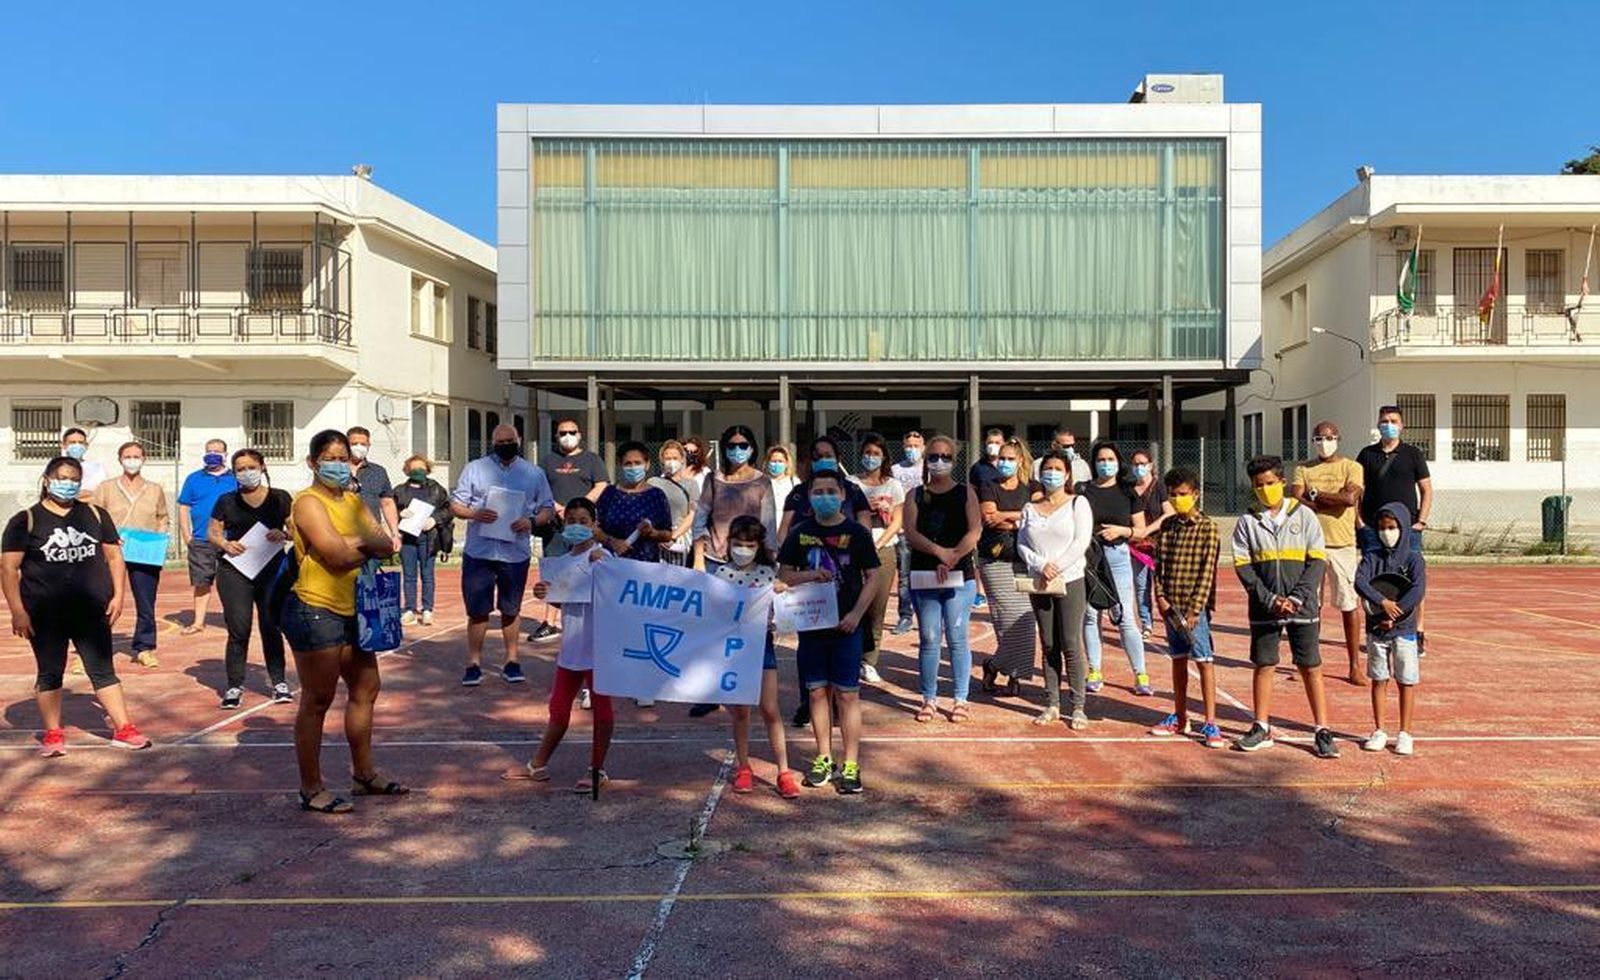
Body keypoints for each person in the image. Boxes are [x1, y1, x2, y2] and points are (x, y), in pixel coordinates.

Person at [281, 430, 404, 813]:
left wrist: (357, 541)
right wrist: (363, 541)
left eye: (343, 457)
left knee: (366, 687)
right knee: (317, 699)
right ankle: (311, 787)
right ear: (313, 462)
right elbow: (335, 555)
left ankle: (363, 774)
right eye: (329, 457)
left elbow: (386, 544)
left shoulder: (353, 500)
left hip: (357, 608)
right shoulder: (307, 502)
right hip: (316, 607)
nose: (337, 464)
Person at [3, 456, 151, 757]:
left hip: (90, 610)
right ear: (47, 480)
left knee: (103, 670)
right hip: (45, 613)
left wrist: (119, 594)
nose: (68, 483)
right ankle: (53, 733)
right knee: (50, 672)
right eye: (62, 477)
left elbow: (113, 557)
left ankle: (124, 728)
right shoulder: (25, 520)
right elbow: (8, 569)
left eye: (74, 478)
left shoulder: (95, 515)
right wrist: (18, 610)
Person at [778, 470, 883, 794]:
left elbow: (874, 577)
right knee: (816, 693)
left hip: (846, 626)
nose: (824, 496)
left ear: (842, 495)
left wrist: (856, 614)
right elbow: (784, 576)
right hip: (812, 626)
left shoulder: (857, 533)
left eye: (830, 491)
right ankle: (824, 757)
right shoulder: (799, 533)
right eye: (817, 491)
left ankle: (851, 763)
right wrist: (810, 575)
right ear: (809, 497)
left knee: (848, 694)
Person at [504, 498, 613, 794]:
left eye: (583, 521)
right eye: (571, 521)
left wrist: (603, 565)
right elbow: (563, 600)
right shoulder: (561, 563)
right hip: (572, 649)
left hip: (599, 650)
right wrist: (545, 594)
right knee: (558, 709)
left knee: (602, 713)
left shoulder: (602, 557)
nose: (577, 526)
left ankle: (596, 769)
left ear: (595, 525)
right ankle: (537, 765)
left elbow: (616, 593)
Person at [1232, 455, 1337, 758]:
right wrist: (1269, 599)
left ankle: (1322, 730)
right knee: (1264, 665)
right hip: (1265, 608)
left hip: (1302, 607)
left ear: (1282, 482)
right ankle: (1261, 726)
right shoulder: (1247, 522)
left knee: (1310, 666)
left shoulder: (1305, 516)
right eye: (1258, 485)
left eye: (1270, 483)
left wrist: (1297, 598)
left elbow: (1317, 560)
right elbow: (1243, 566)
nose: (1265, 489)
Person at [450, 423, 557, 687]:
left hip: (514, 553)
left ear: (518, 440)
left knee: (511, 609)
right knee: (477, 610)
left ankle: (512, 661)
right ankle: (473, 663)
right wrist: (474, 513)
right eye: (500, 441)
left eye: (510, 440)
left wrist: (531, 522)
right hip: (480, 552)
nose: (505, 445)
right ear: (493, 442)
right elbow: (455, 504)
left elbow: (548, 508)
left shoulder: (533, 473)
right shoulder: (474, 468)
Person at [690, 425, 777, 718]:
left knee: (753, 627)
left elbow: (769, 525)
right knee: (714, 629)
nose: (737, 450)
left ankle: (749, 684)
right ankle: (712, 692)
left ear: (752, 447)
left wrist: (769, 562)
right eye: (732, 445)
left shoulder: (762, 482)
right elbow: (700, 519)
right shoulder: (714, 480)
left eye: (743, 445)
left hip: (752, 563)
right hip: (717, 560)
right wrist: (699, 558)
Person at [719, 515, 800, 799]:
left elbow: (783, 613)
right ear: (729, 543)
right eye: (738, 544)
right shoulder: (721, 575)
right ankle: (744, 767)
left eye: (749, 544)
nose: (743, 549)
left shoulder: (768, 573)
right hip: (732, 648)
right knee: (741, 710)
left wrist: (781, 592)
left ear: (758, 545)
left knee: (770, 708)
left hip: (761, 645)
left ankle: (784, 771)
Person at [903, 434, 982, 723]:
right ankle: (929, 698)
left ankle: (961, 698)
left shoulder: (966, 493)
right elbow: (910, 533)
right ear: (926, 460)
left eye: (945, 457)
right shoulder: (915, 495)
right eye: (934, 457)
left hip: (960, 574)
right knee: (929, 637)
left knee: (958, 638)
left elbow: (975, 530)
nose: (939, 462)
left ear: (954, 460)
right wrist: (940, 553)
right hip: (925, 574)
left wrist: (954, 556)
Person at [208, 449, 294, 709]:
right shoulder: (226, 501)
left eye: (251, 467)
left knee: (271, 626)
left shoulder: (280, 498)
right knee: (239, 628)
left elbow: (295, 528)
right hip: (236, 570)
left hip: (271, 570)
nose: (247, 472)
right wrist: (225, 543)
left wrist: (284, 535)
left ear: (262, 466)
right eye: (240, 469)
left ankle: (279, 682)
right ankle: (234, 685)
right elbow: (212, 532)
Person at [1147, 467, 1224, 749]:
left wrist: (1194, 610)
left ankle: (1211, 722)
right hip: (1170, 606)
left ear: (1195, 494)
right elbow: (1159, 567)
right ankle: (1180, 717)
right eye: (1173, 495)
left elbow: (1207, 572)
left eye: (1183, 494)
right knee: (1178, 659)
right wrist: (1161, 598)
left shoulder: (1208, 528)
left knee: (1204, 661)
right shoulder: (1167, 527)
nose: (1178, 499)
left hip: (1195, 609)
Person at [1017, 451, 1092, 729]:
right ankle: (1052, 703)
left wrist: (1057, 566)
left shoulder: (1078, 504)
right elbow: (1022, 543)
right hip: (1040, 582)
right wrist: (1040, 565)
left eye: (1058, 468)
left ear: (1068, 474)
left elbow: (1081, 541)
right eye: (1047, 468)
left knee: (1070, 642)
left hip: (1070, 580)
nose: (1052, 473)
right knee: (1049, 643)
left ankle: (1079, 706)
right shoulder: (1030, 508)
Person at [1293, 421, 1366, 684]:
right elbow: (1298, 499)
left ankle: (1354, 665)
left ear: (1338, 438)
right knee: (1310, 605)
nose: (1323, 442)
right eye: (1318, 438)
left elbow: (1348, 500)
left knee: (1348, 604)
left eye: (1328, 437)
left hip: (1342, 545)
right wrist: (1328, 499)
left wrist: (1317, 495)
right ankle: (1308, 662)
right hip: (1310, 547)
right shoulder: (1303, 468)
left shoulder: (1352, 467)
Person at [1356, 405, 1433, 655]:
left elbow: (1426, 489)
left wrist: (1420, 521)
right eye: (1383, 421)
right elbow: (1357, 490)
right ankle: (1376, 628)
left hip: (1407, 530)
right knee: (1372, 580)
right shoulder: (1367, 454)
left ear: (1402, 426)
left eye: (1393, 420)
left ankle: (1416, 631)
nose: (1388, 424)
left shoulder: (1413, 454)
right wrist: (1360, 522)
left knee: (1412, 580)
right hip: (1373, 529)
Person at [1079, 441, 1152, 696]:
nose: (1105, 464)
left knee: (1124, 616)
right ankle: (1094, 670)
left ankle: (1141, 674)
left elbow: (1141, 531)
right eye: (1101, 459)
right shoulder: (1083, 491)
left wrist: (1122, 531)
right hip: (1090, 558)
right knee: (1090, 615)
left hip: (1119, 556)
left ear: (1118, 462)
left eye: (1110, 459)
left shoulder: (1128, 491)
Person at [1355, 503, 1427, 756]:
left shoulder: (1413, 558)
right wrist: (1381, 603)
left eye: (1392, 527)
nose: (1387, 532)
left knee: (1406, 680)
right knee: (1379, 678)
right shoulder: (1372, 557)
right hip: (1376, 629)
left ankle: (1405, 733)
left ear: (1403, 527)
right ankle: (1379, 729)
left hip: (1404, 630)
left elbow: (1417, 590)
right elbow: (1360, 581)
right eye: (1383, 528)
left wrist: (1396, 615)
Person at [530, 418, 609, 642]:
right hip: (556, 525)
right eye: (562, 432)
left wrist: (579, 507)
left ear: (580, 434)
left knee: (587, 568)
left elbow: (602, 484)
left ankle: (590, 621)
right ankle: (550, 622)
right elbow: (540, 489)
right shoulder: (548, 460)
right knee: (556, 569)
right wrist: (557, 509)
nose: (567, 436)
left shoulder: (592, 459)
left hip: (582, 526)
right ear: (556, 436)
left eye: (571, 432)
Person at [93, 441, 168, 668]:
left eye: (137, 456)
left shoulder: (154, 489)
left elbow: (162, 516)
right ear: (119, 459)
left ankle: (145, 647)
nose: (132, 460)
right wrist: (106, 536)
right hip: (111, 550)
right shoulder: (106, 487)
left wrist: (159, 537)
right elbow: (95, 516)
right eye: (127, 456)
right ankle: (93, 649)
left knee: (146, 602)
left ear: (144, 459)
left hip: (145, 552)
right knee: (103, 600)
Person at [976, 437, 1039, 697]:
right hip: (995, 559)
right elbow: (990, 519)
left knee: (1025, 619)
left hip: (1026, 559)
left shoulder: (1033, 487)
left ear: (1021, 461)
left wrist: (1008, 516)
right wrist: (1020, 517)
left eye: (1010, 459)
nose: (1005, 463)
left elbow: (1037, 515)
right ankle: (1011, 674)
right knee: (1005, 618)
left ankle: (995, 666)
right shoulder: (988, 485)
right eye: (1002, 458)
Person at [847, 432, 905, 685]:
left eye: (876, 454)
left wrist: (882, 534)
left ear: (884, 458)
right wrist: (864, 510)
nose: (871, 458)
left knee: (876, 609)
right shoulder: (850, 482)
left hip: (883, 549)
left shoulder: (893, 484)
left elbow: (899, 519)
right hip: (853, 550)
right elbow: (844, 516)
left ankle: (869, 661)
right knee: (852, 605)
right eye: (868, 453)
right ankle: (849, 657)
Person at [177, 439, 238, 635]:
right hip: (201, 539)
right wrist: (187, 535)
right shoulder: (194, 478)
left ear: (225, 455)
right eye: (209, 451)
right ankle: (198, 622)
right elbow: (183, 506)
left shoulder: (235, 478)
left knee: (230, 582)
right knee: (201, 582)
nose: (213, 454)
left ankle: (233, 620)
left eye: (218, 451)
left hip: (229, 540)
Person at [392, 455, 453, 626]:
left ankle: (427, 609)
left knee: (427, 575)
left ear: (427, 469)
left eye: (421, 468)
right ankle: (410, 609)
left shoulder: (437, 489)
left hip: (429, 538)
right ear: (407, 470)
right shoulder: (399, 490)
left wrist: (434, 520)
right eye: (413, 468)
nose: (418, 471)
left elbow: (448, 510)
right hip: (408, 538)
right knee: (409, 576)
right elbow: (391, 510)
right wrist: (399, 514)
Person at [777, 436, 871, 544]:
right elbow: (784, 530)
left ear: (838, 458)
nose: (823, 460)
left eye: (828, 456)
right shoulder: (798, 492)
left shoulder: (853, 491)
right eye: (818, 457)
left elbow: (865, 528)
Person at [595, 442, 674, 564]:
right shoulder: (609, 494)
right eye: (628, 464)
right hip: (612, 563)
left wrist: (652, 532)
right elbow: (595, 528)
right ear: (620, 465)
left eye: (637, 463)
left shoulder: (656, 495)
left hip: (645, 565)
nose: (633, 467)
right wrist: (612, 542)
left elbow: (667, 534)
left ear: (647, 465)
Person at [1129, 447, 1174, 640]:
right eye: (1135, 464)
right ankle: (1146, 623)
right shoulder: (1129, 489)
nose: (1139, 467)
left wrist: (1148, 530)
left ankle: (1171, 622)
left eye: (1142, 464)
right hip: (1137, 547)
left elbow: (1169, 512)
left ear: (1150, 465)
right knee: (1141, 586)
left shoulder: (1159, 487)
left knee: (1163, 586)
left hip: (1158, 544)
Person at [889, 431, 925, 635]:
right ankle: (905, 616)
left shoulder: (929, 467)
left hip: (924, 531)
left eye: (916, 445)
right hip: (902, 530)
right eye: (908, 445)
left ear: (924, 447)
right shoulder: (895, 470)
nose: (912, 449)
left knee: (927, 574)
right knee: (904, 576)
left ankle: (928, 615)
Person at [346, 427, 400, 552]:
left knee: (368, 572)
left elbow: (387, 503)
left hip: (371, 536)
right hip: (343, 536)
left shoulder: (378, 472)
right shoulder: (336, 470)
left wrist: (394, 534)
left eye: (363, 444)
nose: (359, 447)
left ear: (369, 445)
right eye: (354, 444)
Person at [651, 440, 697, 567]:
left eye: (675, 458)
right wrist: (657, 535)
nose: (671, 461)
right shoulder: (653, 482)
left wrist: (673, 537)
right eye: (667, 458)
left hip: (681, 538)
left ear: (682, 459)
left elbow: (692, 514)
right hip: (656, 538)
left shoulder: (691, 485)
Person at [60, 428, 109, 497]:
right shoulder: (56, 467)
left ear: (86, 445)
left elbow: (105, 493)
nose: (77, 445)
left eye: (80, 442)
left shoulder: (98, 469)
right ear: (63, 445)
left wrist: (91, 494)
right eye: (72, 442)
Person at [680, 434, 710, 504]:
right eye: (686, 451)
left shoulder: (705, 472)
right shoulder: (674, 470)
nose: (689, 455)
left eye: (694, 452)